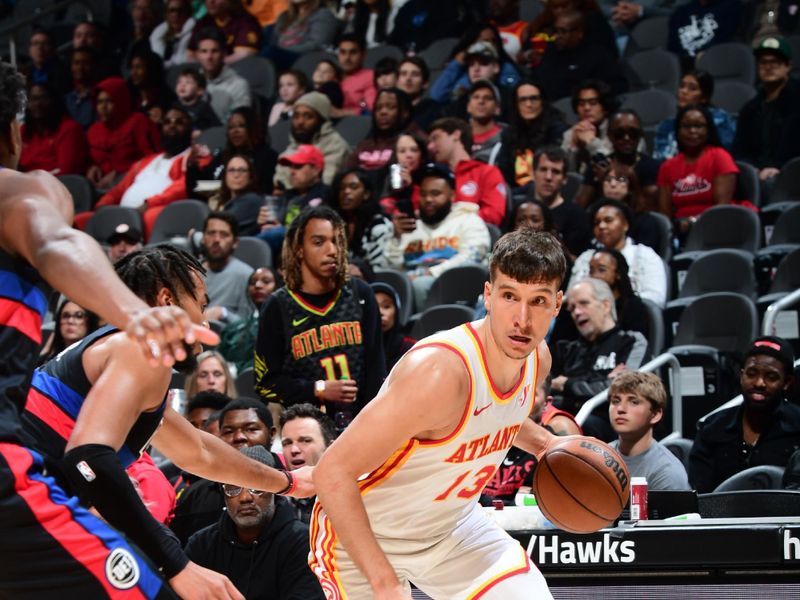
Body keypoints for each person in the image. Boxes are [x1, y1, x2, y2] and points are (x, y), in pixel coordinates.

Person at [0, 58, 225, 594]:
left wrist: (286, 481)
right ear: (14, 131)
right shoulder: (22, 189)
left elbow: (197, 450)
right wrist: (136, 315)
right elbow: (58, 241)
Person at [17, 245, 310, 598]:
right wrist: (177, 565)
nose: (205, 321)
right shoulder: (142, 348)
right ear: (167, 300)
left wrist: (287, 482)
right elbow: (88, 457)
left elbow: (199, 451)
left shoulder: (121, 354)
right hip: (22, 499)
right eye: (200, 305)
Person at [311, 228, 568, 598]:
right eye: (510, 296)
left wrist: (545, 443)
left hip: (451, 527)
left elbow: (494, 415)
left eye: (539, 300)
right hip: (369, 532)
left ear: (557, 304)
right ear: (488, 295)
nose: (522, 320)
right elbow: (332, 472)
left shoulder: (536, 359)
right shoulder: (439, 373)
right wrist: (384, 584)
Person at [254, 205, 386, 429]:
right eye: (319, 242)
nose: (332, 250)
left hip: (361, 426)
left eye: (336, 241)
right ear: (299, 249)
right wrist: (317, 389)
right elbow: (265, 384)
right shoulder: (278, 306)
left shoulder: (360, 294)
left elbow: (377, 371)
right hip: (304, 432)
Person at [185, 445, 326, 599]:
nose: (245, 497)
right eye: (233, 488)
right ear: (223, 492)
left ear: (275, 489)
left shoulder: (303, 543)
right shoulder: (202, 545)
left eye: (256, 487)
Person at [689, 336, 800, 493]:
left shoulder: (797, 427)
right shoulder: (712, 428)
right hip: (720, 515)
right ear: (741, 376)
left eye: (771, 377)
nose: (759, 383)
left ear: (787, 382)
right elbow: (698, 492)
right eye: (752, 373)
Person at [170, 397, 281, 545]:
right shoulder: (194, 496)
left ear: (272, 434)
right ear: (219, 436)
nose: (239, 437)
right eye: (229, 431)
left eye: (251, 429)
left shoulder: (295, 485)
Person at [386, 163, 491, 308]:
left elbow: (472, 257)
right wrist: (396, 238)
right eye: (423, 194)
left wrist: (430, 273)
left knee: (421, 284)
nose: (428, 199)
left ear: (452, 195)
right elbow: (394, 268)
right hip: (409, 290)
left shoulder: (468, 220)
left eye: (435, 194)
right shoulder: (411, 227)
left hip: (452, 290)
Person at [80, 106, 193, 238]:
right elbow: (119, 189)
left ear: (190, 130)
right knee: (81, 219)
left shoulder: (193, 158)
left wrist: (148, 204)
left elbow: (182, 187)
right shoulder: (145, 161)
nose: (172, 126)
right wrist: (103, 205)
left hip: (153, 211)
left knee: (151, 217)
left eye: (179, 122)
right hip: (124, 213)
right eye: (167, 122)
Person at [551, 278, 650, 425]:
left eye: (584, 303)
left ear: (605, 305)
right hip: (568, 417)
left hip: (608, 422)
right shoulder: (567, 349)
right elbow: (549, 389)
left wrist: (568, 385)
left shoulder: (631, 341)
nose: (576, 312)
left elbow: (624, 390)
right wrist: (603, 381)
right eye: (572, 308)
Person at [657, 104, 739, 239]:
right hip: (680, 230)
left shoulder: (720, 157)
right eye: (686, 126)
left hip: (717, 226)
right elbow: (664, 215)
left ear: (708, 130)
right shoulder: (667, 166)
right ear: (677, 130)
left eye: (699, 126)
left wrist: (693, 222)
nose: (693, 131)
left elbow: (722, 208)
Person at [570, 198, 667, 306]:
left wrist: (616, 302)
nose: (601, 226)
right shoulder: (585, 258)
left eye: (608, 220)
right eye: (597, 223)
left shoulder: (644, 255)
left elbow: (656, 299)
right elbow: (571, 296)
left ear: (625, 225)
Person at [733, 36, 800, 186]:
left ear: (788, 66)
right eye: (763, 62)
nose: (768, 67)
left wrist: (779, 167)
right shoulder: (750, 109)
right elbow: (740, 151)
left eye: (775, 62)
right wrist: (753, 170)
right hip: (758, 178)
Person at [608, 371, 690, 490]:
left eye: (633, 402)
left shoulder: (667, 473)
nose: (620, 409)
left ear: (655, 414)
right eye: (616, 401)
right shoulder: (599, 457)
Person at [427, 117, 508, 227]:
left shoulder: (487, 172)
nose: (430, 146)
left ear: (456, 134)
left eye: (435, 138)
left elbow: (493, 216)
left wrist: (453, 223)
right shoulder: (432, 177)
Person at [532, 10, 627, 102]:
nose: (558, 36)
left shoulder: (596, 55)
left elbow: (617, 85)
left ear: (579, 33)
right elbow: (539, 79)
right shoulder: (551, 50)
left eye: (563, 31)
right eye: (555, 31)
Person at [575, 109, 661, 210]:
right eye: (619, 133)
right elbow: (579, 206)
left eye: (633, 133)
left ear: (640, 135)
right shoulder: (600, 164)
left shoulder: (651, 166)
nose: (626, 138)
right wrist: (602, 182)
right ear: (610, 135)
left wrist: (633, 179)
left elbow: (650, 212)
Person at [86, 76, 161, 189]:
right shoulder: (94, 130)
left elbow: (153, 159)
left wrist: (120, 174)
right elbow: (88, 160)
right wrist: (92, 167)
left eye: (109, 101)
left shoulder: (138, 122)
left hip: (134, 183)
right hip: (99, 186)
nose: (103, 107)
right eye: (99, 102)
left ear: (121, 101)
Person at [258, 144, 330, 258]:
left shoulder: (327, 195)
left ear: (316, 170)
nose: (291, 171)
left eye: (298, 166)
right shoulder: (287, 196)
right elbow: (276, 224)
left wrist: (279, 231)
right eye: (291, 166)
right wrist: (263, 224)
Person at [187, 106, 277, 197]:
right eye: (231, 128)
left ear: (253, 128)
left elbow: (264, 190)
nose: (235, 131)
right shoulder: (223, 156)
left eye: (241, 126)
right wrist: (192, 168)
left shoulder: (268, 157)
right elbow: (199, 187)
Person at [496, 80, 568, 190]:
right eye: (523, 100)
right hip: (514, 193)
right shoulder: (509, 134)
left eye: (533, 99)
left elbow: (553, 170)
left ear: (542, 102)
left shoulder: (556, 130)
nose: (528, 104)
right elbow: (504, 172)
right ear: (516, 104)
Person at [654, 70, 737, 161]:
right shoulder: (667, 125)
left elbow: (726, 153)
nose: (684, 91)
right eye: (682, 86)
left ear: (704, 98)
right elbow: (659, 158)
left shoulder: (720, 119)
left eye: (692, 88)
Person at [273, 91, 350, 189]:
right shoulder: (293, 146)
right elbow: (279, 184)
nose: (300, 122)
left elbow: (326, 184)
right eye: (296, 116)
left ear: (321, 120)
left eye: (308, 116)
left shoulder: (335, 145)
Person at [527, 146, 592, 261]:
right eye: (543, 169)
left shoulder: (577, 216)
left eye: (555, 172)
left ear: (565, 178)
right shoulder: (520, 208)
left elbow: (578, 261)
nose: (548, 177)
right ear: (533, 173)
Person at [280, 402, 338, 523]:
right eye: (287, 443)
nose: (294, 450)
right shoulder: (274, 503)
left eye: (305, 441)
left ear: (330, 448)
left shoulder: (355, 495)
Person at [329, 167, 393, 269]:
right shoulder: (335, 225)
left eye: (353, 187)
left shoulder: (379, 226)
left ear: (366, 194)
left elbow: (380, 268)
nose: (346, 192)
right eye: (342, 188)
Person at [218, 266, 278, 374]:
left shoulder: (286, 327)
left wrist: (236, 369)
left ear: (279, 287)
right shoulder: (233, 329)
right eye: (253, 282)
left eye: (266, 281)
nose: (258, 285)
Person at [19, 82, 88, 175]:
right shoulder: (24, 131)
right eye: (33, 99)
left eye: (43, 98)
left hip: (54, 186)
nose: (37, 104)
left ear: (54, 101)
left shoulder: (69, 130)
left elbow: (66, 173)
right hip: (22, 185)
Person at [347, 87, 413, 181]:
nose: (383, 112)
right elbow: (347, 172)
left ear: (405, 113)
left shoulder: (413, 142)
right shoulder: (365, 144)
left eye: (390, 107)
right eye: (378, 108)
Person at [202, 211, 254, 325]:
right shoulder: (191, 273)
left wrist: (223, 313)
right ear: (203, 238)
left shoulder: (246, 275)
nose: (216, 240)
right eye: (211, 233)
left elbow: (250, 325)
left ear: (235, 242)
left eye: (224, 235)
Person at [587, 248, 649, 337]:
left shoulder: (633, 307)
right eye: (591, 270)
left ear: (618, 274)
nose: (594, 276)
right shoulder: (587, 307)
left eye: (601, 270)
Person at [195, 27, 252, 122]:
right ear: (197, 55)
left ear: (224, 54)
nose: (209, 57)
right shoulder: (190, 82)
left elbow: (240, 124)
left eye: (214, 51)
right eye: (204, 51)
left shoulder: (238, 85)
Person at [265, 0, 340, 70]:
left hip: (303, 59)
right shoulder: (284, 16)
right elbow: (274, 41)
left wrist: (282, 51)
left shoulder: (323, 14)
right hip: (277, 58)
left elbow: (317, 45)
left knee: (270, 53)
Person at [667, 0, 743, 67]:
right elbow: (672, 46)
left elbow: (725, 39)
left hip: (713, 63)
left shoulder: (731, 6)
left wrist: (704, 55)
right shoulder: (681, 12)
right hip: (682, 65)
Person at [188, 0, 261, 62]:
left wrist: (213, 65)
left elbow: (244, 56)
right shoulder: (203, 22)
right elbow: (191, 54)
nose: (211, 1)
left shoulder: (245, 22)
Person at [38, 298, 100, 364]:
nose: (70, 321)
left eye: (79, 316)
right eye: (66, 316)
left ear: (89, 321)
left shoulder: (95, 359)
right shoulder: (48, 360)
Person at [209, 154, 261, 232]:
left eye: (242, 170)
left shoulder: (252, 200)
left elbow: (221, 225)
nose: (236, 175)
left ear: (250, 176)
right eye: (231, 170)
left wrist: (196, 236)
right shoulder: (219, 201)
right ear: (225, 175)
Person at [371, 281, 416, 371]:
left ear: (396, 311)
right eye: (373, 307)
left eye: (386, 306)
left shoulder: (412, 349)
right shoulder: (356, 350)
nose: (380, 312)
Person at [334, 33, 377, 118]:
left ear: (363, 55)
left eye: (353, 52)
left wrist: (340, 113)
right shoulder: (331, 76)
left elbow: (370, 110)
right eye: (343, 52)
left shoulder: (370, 77)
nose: (347, 58)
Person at [396, 56, 442, 131]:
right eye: (403, 74)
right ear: (397, 82)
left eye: (415, 74)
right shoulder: (390, 111)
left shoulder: (433, 110)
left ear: (425, 83)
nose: (408, 78)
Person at [466, 79, 506, 165]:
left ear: (497, 109)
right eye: (476, 97)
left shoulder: (508, 137)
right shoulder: (457, 138)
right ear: (468, 107)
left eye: (488, 98)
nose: (481, 101)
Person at [150, 0, 195, 68]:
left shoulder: (194, 35)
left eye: (180, 10)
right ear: (166, 14)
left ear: (187, 13)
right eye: (172, 10)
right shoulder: (157, 36)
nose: (176, 14)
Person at [175, 66, 222, 131]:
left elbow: (217, 127)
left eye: (188, 82)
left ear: (199, 91)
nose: (182, 85)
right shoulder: (175, 106)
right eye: (179, 82)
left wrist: (202, 132)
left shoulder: (204, 107)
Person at [64, 47, 99, 129]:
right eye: (76, 63)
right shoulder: (66, 99)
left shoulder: (99, 97)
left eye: (85, 63)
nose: (80, 67)